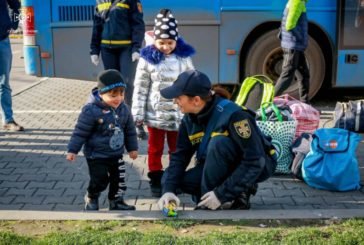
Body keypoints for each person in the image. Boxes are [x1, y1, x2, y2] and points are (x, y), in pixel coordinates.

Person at [157, 70, 277, 211]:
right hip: (218, 163)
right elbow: (180, 157)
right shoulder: (188, 119)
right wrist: (168, 191)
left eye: (178, 97)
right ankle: (223, 191)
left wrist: (220, 195)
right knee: (170, 179)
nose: (175, 102)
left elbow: (255, 160)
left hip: (256, 163)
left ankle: (241, 189)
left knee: (218, 142)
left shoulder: (236, 116)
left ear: (196, 100)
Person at [131, 9, 195, 197]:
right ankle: (156, 179)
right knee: (155, 148)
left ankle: (175, 179)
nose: (166, 47)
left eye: (170, 42)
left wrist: (195, 110)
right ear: (155, 40)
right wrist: (138, 114)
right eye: (162, 43)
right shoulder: (147, 59)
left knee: (178, 150)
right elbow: (140, 88)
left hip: (178, 115)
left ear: (176, 40)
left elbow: (192, 82)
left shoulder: (184, 57)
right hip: (155, 115)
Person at [66, 69, 138, 211]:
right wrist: (72, 150)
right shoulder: (91, 110)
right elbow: (80, 132)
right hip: (96, 155)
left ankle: (116, 201)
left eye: (121, 94)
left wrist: (132, 148)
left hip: (116, 153)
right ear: (101, 94)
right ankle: (92, 196)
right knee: (100, 180)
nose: (118, 98)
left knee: (119, 180)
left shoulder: (124, 109)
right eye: (113, 95)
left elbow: (130, 131)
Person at [90, 0, 145, 109]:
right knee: (111, 83)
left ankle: (128, 113)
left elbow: (138, 24)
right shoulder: (100, 2)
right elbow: (97, 27)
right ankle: (113, 113)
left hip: (127, 49)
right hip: (107, 50)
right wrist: (94, 50)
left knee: (127, 83)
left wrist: (136, 48)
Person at [275, 0, 310, 103]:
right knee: (287, 76)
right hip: (293, 46)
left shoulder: (298, 2)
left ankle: (305, 104)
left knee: (304, 74)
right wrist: (301, 38)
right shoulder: (297, 2)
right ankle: (266, 101)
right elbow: (290, 25)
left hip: (295, 46)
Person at [0, 0, 24, 131]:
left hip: (2, 41)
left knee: (4, 83)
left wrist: (13, 24)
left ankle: (8, 120)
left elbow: (16, 6)